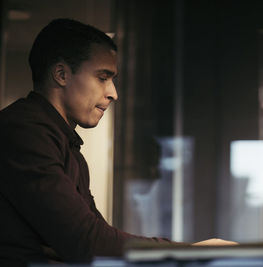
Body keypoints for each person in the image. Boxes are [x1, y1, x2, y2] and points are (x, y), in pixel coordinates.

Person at [0, 18, 174, 266]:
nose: (113, 93)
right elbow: (87, 242)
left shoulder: (66, 145)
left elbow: (93, 241)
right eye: (103, 77)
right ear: (61, 74)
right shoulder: (23, 131)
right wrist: (188, 251)